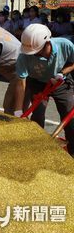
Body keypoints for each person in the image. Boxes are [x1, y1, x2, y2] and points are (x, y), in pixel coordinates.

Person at [14, 24, 74, 155]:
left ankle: (72, 150)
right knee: (38, 114)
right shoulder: (24, 55)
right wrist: (18, 110)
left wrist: (62, 73)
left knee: (69, 115)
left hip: (61, 82)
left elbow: (73, 62)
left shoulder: (65, 45)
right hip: (37, 83)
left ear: (47, 43)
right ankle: (37, 148)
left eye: (37, 51)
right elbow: (21, 83)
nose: (34, 54)